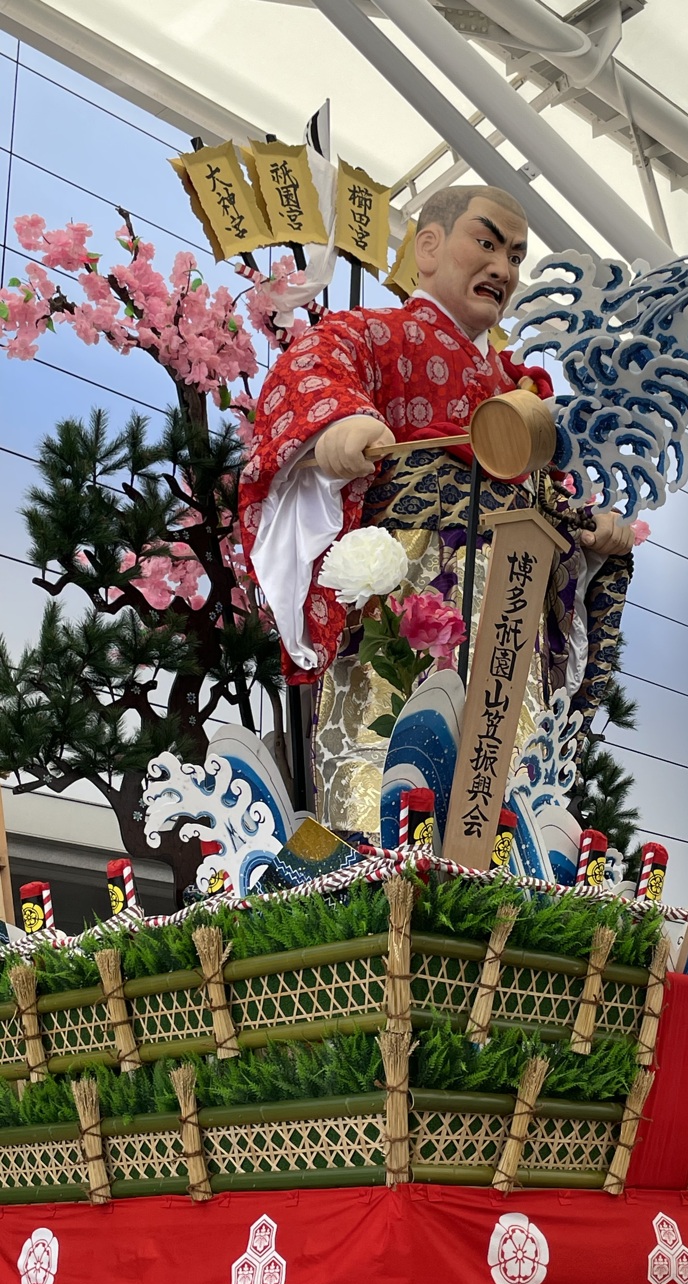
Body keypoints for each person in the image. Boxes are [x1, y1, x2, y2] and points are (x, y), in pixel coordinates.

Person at [240, 184, 633, 836]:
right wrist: (339, 426)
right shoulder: (375, 335)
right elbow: (318, 366)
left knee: (505, 786)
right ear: (427, 246)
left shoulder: (516, 390)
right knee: (391, 769)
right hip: (411, 590)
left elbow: (550, 495)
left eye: (515, 255)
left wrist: (587, 529)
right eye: (486, 242)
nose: (504, 269)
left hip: (509, 601)